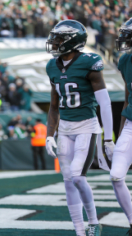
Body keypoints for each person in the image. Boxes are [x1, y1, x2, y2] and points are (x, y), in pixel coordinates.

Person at [45, 20, 114, 236]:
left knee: (77, 176)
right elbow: (54, 106)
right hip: (65, 128)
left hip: (86, 125)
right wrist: (49, 134)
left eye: (58, 38)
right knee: (67, 179)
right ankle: (79, 230)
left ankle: (93, 222)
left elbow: (104, 102)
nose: (53, 42)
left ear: (71, 41)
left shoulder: (90, 62)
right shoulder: (51, 66)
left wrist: (108, 138)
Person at [110, 18, 132, 236]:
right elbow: (126, 99)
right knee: (116, 175)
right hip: (131, 124)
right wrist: (120, 133)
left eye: (129, 35)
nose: (125, 40)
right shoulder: (126, 60)